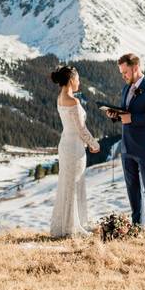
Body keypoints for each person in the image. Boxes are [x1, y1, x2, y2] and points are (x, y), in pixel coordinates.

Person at [105, 52, 145, 233]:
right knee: (132, 189)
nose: (123, 76)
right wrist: (115, 115)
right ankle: (137, 227)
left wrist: (132, 118)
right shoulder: (125, 89)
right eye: (121, 73)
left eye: (125, 72)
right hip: (127, 147)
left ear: (136, 68)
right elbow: (126, 114)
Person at [48, 65, 100, 238]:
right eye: (77, 79)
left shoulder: (60, 98)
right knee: (74, 185)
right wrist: (94, 144)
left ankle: (67, 224)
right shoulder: (74, 101)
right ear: (71, 80)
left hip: (65, 144)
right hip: (75, 148)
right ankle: (72, 227)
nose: (79, 82)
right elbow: (81, 129)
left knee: (67, 185)